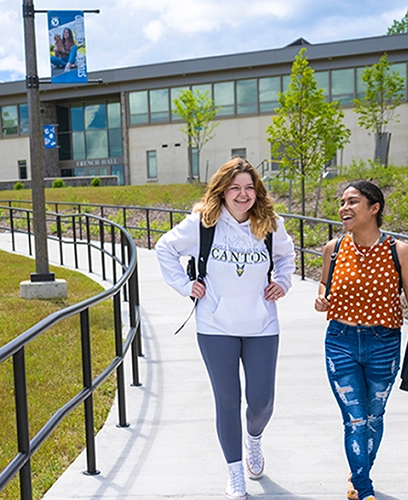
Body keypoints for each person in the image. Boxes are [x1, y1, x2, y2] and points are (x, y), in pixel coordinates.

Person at [156, 157, 295, 499]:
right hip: (215, 325)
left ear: (257, 192)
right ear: (222, 191)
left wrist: (282, 281)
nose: (242, 194)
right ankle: (235, 473)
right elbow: (164, 249)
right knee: (228, 400)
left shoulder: (269, 224)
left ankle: (254, 439)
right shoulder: (203, 224)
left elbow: (286, 256)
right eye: (235, 187)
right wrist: (186, 286)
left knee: (261, 401)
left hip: (262, 324)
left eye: (249, 187)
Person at [314, 180, 407, 500]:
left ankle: (359, 475)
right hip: (340, 341)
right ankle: (365, 490)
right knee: (354, 418)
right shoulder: (334, 249)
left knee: (373, 417)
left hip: (384, 343)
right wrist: (321, 297)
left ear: (374, 208)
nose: (343, 208)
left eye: (352, 202)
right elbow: (323, 284)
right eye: (342, 202)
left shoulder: (399, 251)